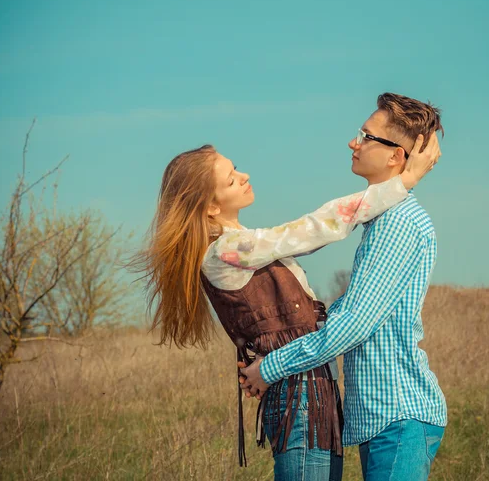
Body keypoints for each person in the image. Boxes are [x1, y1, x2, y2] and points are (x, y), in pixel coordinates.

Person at [134, 123, 440, 481]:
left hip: (312, 395)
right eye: (232, 179)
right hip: (300, 399)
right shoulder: (227, 251)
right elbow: (309, 230)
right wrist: (403, 183)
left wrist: (267, 367)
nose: (244, 175)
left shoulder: (243, 245)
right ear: (212, 207)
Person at [239, 93, 447, 481]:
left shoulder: (398, 224)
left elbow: (353, 324)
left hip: (398, 414)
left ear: (395, 156)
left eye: (366, 136)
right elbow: (351, 311)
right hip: (383, 419)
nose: (354, 143)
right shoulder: (382, 220)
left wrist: (272, 368)